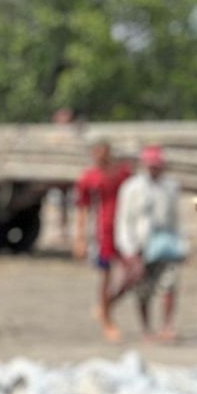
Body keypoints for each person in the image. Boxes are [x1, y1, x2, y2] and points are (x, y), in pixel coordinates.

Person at [114, 145, 187, 343]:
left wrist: (183, 244)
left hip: (166, 244)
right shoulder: (132, 188)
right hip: (140, 246)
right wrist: (128, 249)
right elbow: (124, 220)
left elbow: (176, 219)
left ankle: (167, 326)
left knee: (169, 285)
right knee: (143, 290)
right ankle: (146, 329)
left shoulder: (170, 187)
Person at [71, 139, 133, 341]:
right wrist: (80, 238)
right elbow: (83, 209)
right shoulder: (89, 178)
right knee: (105, 277)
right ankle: (107, 321)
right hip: (102, 233)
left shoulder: (122, 174)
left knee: (133, 274)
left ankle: (105, 306)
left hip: (124, 229)